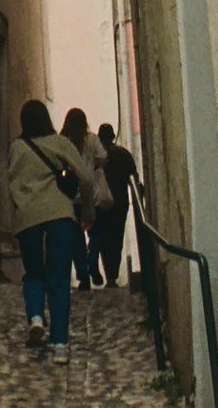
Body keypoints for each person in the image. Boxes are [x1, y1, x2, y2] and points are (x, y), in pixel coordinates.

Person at [8, 99, 90, 363]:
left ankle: (35, 317)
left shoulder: (17, 149)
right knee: (59, 278)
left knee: (33, 273)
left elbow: (10, 184)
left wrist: (18, 215)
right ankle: (60, 345)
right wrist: (88, 212)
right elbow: (87, 178)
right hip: (60, 217)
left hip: (28, 219)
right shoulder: (60, 143)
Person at [59, 109, 106, 290]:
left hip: (70, 197)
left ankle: (83, 275)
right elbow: (103, 158)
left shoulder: (63, 142)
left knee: (75, 239)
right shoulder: (92, 140)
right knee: (96, 234)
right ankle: (92, 262)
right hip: (90, 196)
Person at [90, 123, 138, 287]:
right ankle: (112, 276)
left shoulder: (95, 156)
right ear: (112, 137)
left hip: (100, 204)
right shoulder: (123, 154)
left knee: (101, 239)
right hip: (119, 205)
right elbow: (134, 178)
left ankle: (99, 267)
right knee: (115, 240)